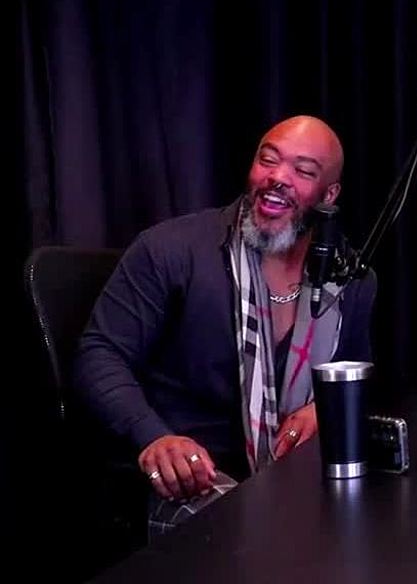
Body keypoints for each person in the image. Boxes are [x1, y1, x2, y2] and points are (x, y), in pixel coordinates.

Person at [72, 115, 378, 512]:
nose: (278, 177)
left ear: (329, 194)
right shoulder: (171, 250)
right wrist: (153, 437)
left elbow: (355, 374)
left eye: (303, 171)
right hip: (190, 485)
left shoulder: (350, 279)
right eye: (268, 160)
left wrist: (325, 408)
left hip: (297, 486)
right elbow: (99, 354)